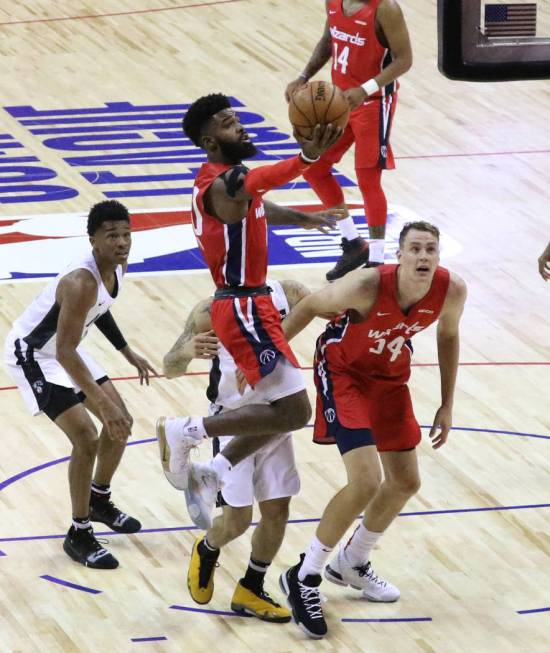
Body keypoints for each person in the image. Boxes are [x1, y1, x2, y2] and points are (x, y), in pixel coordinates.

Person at [155, 93, 344, 523]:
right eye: (227, 122)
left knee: (282, 413)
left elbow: (256, 203)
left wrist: (302, 218)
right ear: (209, 141)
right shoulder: (224, 183)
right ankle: (186, 430)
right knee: (295, 411)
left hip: (250, 303)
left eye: (236, 117)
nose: (238, 125)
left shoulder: (221, 181)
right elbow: (261, 181)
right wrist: (306, 157)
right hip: (243, 305)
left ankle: (213, 471)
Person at [277, 221, 467, 638]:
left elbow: (448, 336)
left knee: (404, 480)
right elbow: (309, 306)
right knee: (365, 481)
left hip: (389, 377)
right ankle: (305, 576)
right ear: (398, 255)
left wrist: (447, 403)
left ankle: (353, 562)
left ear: (438, 256)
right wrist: (268, 364)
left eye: (430, 250)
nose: (422, 257)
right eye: (414, 249)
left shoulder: (451, 290)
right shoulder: (366, 284)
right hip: (343, 371)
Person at [4, 200, 157, 569]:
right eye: (112, 236)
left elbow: (99, 310)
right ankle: (79, 531)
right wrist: (101, 402)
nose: (122, 242)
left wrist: (127, 353)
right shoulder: (80, 281)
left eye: (126, 234)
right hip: (34, 354)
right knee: (88, 437)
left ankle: (98, 499)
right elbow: (65, 352)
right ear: (93, 240)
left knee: (121, 425)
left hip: (65, 345)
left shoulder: (114, 270)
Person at [163, 278, 310, 622]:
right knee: (238, 521)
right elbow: (169, 366)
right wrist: (186, 352)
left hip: (277, 416)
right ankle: (209, 546)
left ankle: (251, 587)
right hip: (233, 421)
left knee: (277, 510)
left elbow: (321, 307)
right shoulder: (207, 311)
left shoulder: (287, 293)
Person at [285, 0, 413, 280]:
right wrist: (303, 76)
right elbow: (328, 39)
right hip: (338, 101)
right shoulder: (335, 2)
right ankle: (353, 243)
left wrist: (365, 89)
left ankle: (378, 260)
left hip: (374, 102)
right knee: (316, 168)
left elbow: (405, 59)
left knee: (367, 179)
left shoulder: (386, 8)